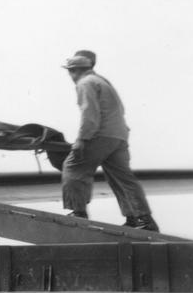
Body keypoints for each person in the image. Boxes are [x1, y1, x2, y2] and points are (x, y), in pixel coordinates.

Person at [61, 54, 159, 231]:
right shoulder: (102, 82)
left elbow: (89, 114)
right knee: (122, 178)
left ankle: (78, 214)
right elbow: (120, 109)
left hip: (100, 135)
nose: (70, 76)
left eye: (70, 72)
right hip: (119, 136)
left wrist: (82, 139)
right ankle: (141, 219)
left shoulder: (85, 83)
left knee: (73, 168)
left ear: (74, 71)